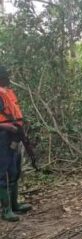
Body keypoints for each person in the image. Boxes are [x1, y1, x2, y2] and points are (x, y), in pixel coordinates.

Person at [0, 65, 32, 222]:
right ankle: (6, 209)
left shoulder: (8, 93)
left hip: (14, 136)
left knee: (14, 171)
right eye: (4, 75)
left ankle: (14, 205)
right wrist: (7, 126)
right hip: (2, 137)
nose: (8, 77)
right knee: (2, 173)